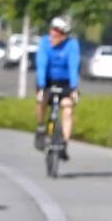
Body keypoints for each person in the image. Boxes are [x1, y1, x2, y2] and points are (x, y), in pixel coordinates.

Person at [34, 16, 82, 158]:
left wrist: (74, 88)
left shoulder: (72, 45)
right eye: (52, 30)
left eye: (57, 32)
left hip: (65, 83)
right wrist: (41, 86)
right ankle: (41, 127)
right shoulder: (44, 43)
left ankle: (64, 144)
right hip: (47, 81)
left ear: (64, 36)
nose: (53, 35)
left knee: (67, 108)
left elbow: (74, 66)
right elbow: (41, 65)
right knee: (41, 100)